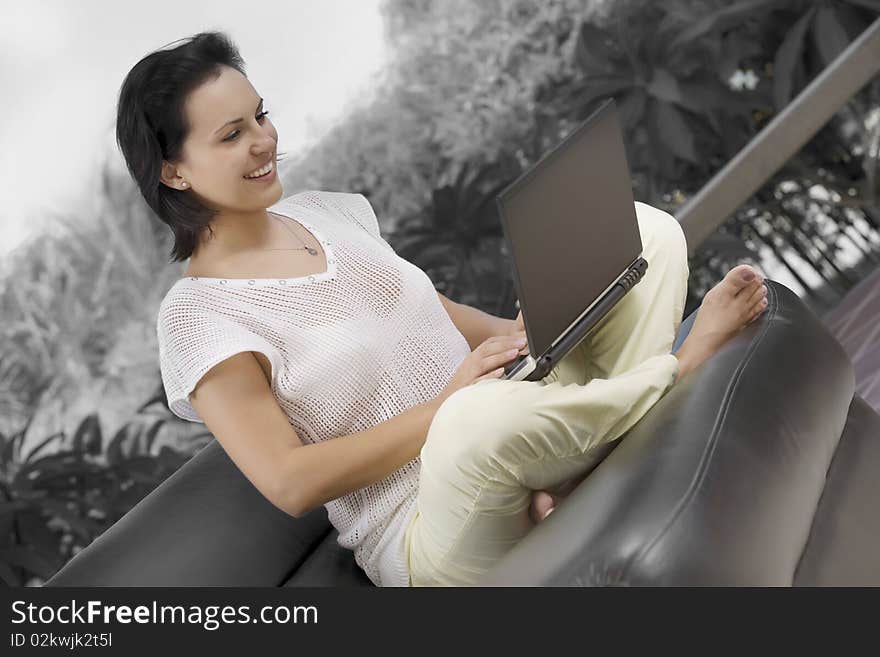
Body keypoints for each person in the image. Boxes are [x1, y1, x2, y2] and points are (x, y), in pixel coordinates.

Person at [116, 31, 768, 587]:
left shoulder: (326, 212)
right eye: (233, 134)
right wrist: (447, 405)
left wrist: (526, 333)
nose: (264, 141)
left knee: (641, 232)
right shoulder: (197, 318)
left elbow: (428, 305)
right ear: (173, 171)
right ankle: (674, 373)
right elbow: (289, 480)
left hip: (507, 414)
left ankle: (565, 468)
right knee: (469, 424)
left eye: (261, 115)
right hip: (427, 525)